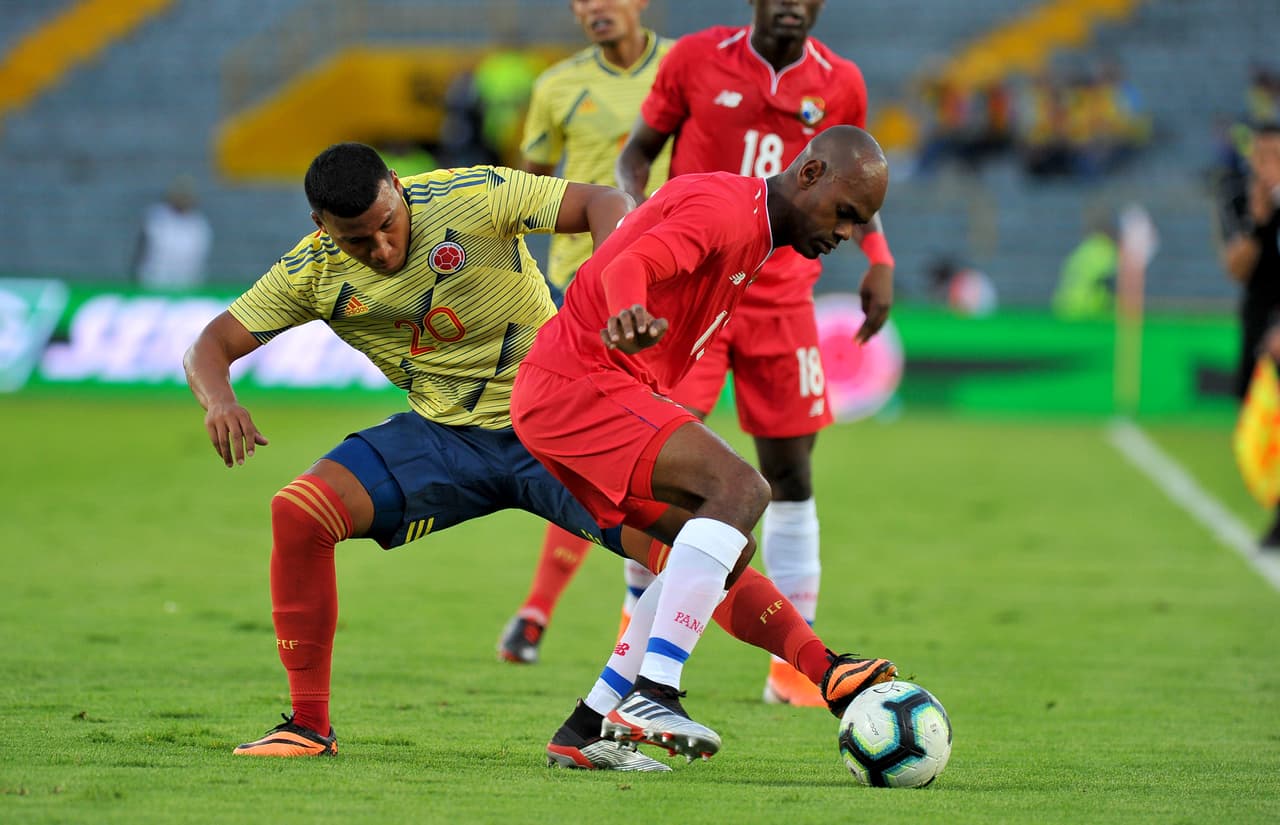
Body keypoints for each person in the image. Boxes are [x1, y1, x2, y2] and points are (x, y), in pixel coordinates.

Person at [184, 141, 895, 768]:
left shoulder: (471, 194)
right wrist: (219, 397)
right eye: (357, 241)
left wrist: (622, 283)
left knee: (703, 545)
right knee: (300, 512)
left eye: (387, 226)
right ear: (321, 229)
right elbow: (209, 344)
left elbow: (604, 202)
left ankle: (810, 670)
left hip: (557, 412)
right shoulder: (309, 272)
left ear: (398, 187)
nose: (382, 249)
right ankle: (308, 726)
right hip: (448, 435)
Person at [513, 125, 896, 764]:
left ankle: (585, 729)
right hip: (578, 384)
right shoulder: (726, 210)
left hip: (578, 392)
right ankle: (655, 690)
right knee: (742, 488)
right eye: (846, 214)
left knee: (720, 549)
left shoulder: (754, 230)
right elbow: (632, 261)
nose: (848, 235)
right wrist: (628, 310)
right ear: (809, 175)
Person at [608, 0, 897, 708]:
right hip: (697, 290)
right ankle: (634, 644)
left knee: (790, 472)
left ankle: (795, 671)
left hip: (782, 299)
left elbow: (854, 184)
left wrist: (879, 255)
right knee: (657, 476)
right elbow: (634, 155)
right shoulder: (695, 59)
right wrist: (634, 226)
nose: (794, 5)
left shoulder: (841, 82)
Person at [498, 0, 674, 665]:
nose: (593, 7)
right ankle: (596, 633)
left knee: (643, 465)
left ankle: (553, 617)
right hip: (584, 291)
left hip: (671, 288)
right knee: (594, 460)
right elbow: (525, 193)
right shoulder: (556, 87)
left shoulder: (686, 71)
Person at [1219, 123, 1280, 547]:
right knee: (1254, 418)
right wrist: (1259, 223)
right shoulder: (1239, 196)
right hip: (1258, 317)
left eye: (1275, 155)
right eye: (1259, 156)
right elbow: (1236, 268)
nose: (1266, 166)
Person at [133, 175, 213, 288]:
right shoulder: (155, 218)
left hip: (188, 286)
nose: (183, 199)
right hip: (154, 284)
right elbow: (141, 253)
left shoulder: (199, 225)